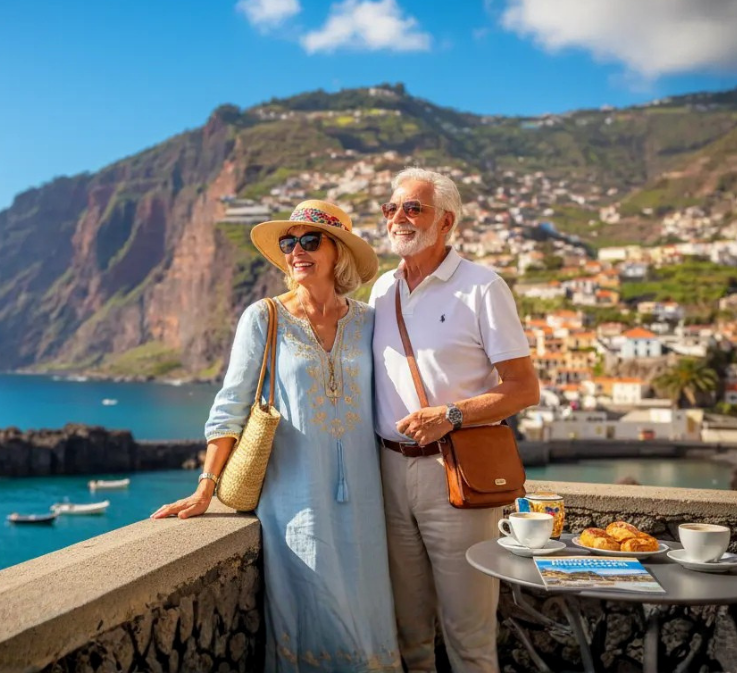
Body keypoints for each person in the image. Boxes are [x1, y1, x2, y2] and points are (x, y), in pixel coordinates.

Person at [153, 200, 401, 673]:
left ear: (338, 252)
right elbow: (230, 405)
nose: (296, 251)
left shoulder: (368, 322)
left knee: (368, 618)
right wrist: (206, 487)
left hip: (366, 502)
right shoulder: (264, 317)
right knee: (314, 616)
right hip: (294, 502)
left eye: (310, 241)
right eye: (289, 243)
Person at [370, 168, 539, 673]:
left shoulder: (483, 287)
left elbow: (524, 388)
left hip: (455, 474)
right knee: (408, 633)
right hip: (387, 471)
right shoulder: (381, 290)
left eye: (412, 208)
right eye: (392, 208)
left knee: (469, 635)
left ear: (445, 221)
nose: (398, 218)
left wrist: (452, 415)